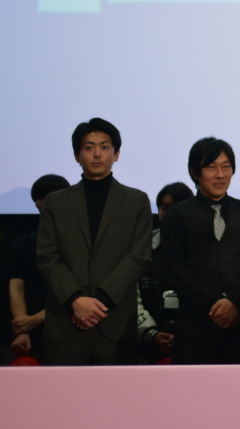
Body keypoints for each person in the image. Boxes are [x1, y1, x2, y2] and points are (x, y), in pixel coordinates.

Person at [37, 118, 153, 365]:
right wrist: (74, 300)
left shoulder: (137, 201)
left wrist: (99, 302)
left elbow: (139, 256)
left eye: (105, 147)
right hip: (66, 322)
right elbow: (47, 257)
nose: (97, 154)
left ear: (116, 154)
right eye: (89, 147)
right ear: (77, 155)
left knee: (116, 391)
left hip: (114, 323)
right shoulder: (56, 202)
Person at [162, 137, 240, 364]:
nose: (220, 175)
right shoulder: (177, 216)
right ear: (195, 172)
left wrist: (234, 303)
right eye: (211, 167)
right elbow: (176, 270)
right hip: (195, 325)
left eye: (226, 167)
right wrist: (215, 307)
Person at [8, 174, 71, 361]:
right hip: (29, 336)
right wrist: (22, 329)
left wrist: (37, 319)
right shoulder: (22, 244)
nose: (47, 202)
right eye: (41, 197)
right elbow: (16, 287)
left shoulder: (80, 243)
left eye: (54, 195)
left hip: (69, 328)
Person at [138, 181, 192, 362]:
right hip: (147, 345)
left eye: (177, 207)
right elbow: (130, 295)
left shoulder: (205, 248)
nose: (170, 213)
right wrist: (151, 333)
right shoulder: (142, 247)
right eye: (165, 208)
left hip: (195, 342)